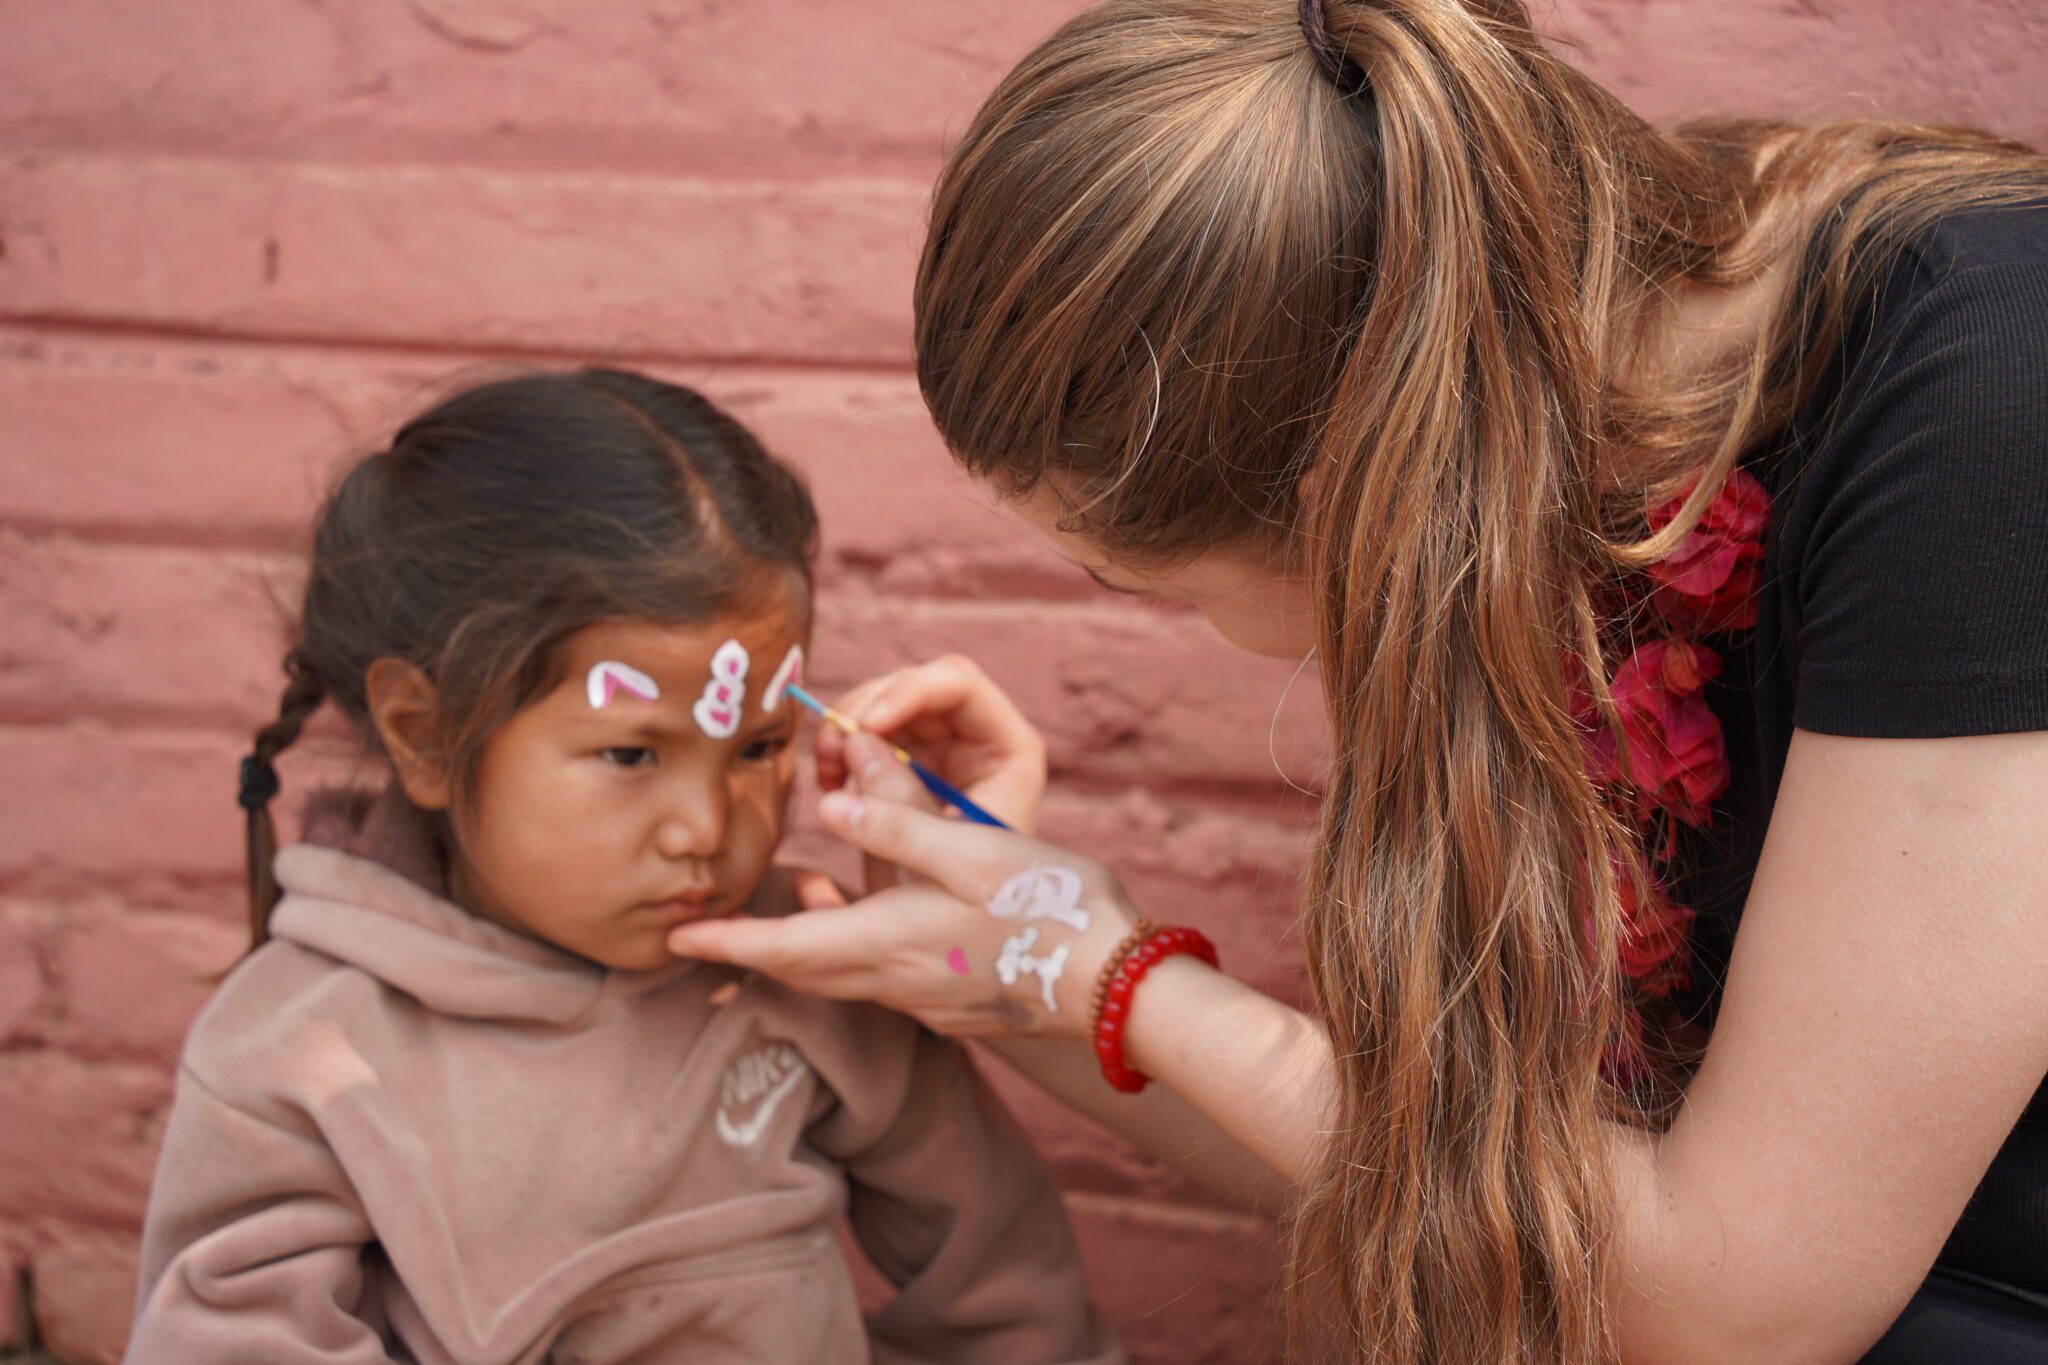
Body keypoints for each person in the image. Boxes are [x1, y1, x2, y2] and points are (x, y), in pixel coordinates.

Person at [661, 1, 2048, 1361]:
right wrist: (1021, 963)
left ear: (1354, 497)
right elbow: (1434, 1203)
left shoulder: (1982, 405)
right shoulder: (1517, 338)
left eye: (1144, 586)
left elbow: (1729, 1305)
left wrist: (1109, 965)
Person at [127, 370, 1120, 1365]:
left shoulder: (816, 974)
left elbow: (1004, 1288)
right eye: (631, 755)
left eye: (757, 747)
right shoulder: (301, 1052)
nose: (703, 826)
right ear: (424, 734)